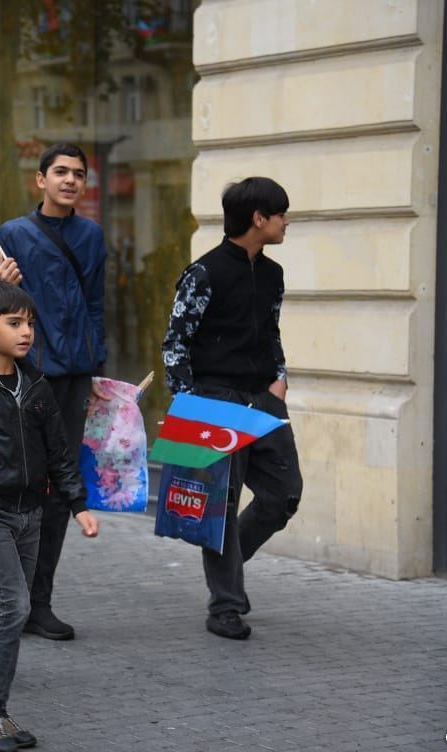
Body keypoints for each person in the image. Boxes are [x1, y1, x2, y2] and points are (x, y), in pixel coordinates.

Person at [0, 282, 100, 752]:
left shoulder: (37, 385)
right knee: (14, 605)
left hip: (33, 513)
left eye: (29, 322)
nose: (26, 331)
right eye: (14, 323)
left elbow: (59, 454)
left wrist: (79, 504)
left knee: (14, 606)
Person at [161, 176, 304, 640]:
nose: (286, 221)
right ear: (258, 219)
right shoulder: (203, 274)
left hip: (263, 399)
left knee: (283, 495)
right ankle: (225, 604)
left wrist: (280, 378)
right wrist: (187, 404)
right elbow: (175, 343)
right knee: (218, 507)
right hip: (213, 402)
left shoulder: (273, 274)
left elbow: (271, 330)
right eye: (280, 214)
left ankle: (230, 571)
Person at [0, 142, 107, 641]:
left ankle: (39, 604)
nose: (69, 181)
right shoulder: (15, 234)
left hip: (76, 374)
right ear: (40, 180)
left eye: (78, 174)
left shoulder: (92, 235)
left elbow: (98, 304)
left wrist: (97, 366)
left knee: (61, 490)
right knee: (18, 487)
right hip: (30, 372)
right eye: (60, 172)